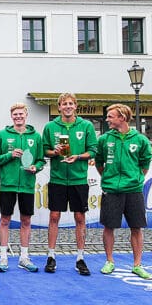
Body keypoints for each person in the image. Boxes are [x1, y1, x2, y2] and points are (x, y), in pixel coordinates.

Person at [95, 104, 152, 279]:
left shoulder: (140, 140)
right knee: (109, 226)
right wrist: (108, 178)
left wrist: (135, 179)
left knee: (136, 227)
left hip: (134, 190)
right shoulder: (104, 139)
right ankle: (109, 261)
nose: (107, 119)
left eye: (110, 116)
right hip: (111, 190)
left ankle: (137, 265)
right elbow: (99, 162)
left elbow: (145, 165)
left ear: (122, 117)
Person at [42, 93, 98, 275]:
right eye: (64, 104)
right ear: (58, 107)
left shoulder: (86, 126)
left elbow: (93, 150)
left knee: (80, 218)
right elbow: (44, 150)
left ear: (76, 106)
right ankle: (51, 256)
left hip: (78, 179)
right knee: (54, 217)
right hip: (58, 179)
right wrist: (54, 152)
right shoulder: (50, 127)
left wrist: (79, 156)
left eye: (70, 103)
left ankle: (80, 258)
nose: (67, 106)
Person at [0, 103, 45, 273]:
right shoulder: (2, 135)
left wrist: (36, 167)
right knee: (5, 220)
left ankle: (24, 257)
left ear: (26, 115)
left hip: (27, 185)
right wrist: (9, 155)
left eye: (21, 114)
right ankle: (3, 257)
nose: (18, 117)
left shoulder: (36, 136)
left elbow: (41, 159)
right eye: (15, 114)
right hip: (8, 185)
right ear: (11, 116)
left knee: (26, 221)